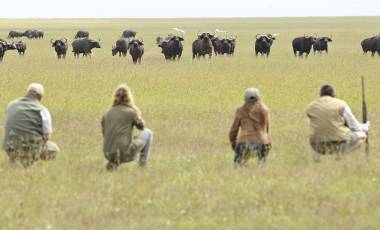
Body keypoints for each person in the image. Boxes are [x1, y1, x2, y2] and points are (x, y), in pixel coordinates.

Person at [2, 83, 60, 168]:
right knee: (54, 149)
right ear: (40, 97)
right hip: (29, 148)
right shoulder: (43, 110)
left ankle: (14, 162)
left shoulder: (11, 104)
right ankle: (30, 163)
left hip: (9, 147)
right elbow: (46, 136)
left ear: (27, 93)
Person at [306, 85, 369, 160]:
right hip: (339, 144)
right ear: (333, 94)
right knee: (363, 135)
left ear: (320, 95)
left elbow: (312, 126)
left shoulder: (311, 106)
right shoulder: (341, 104)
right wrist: (366, 126)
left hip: (317, 147)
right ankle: (341, 156)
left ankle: (317, 160)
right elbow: (354, 126)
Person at [101, 84, 153, 171]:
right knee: (148, 132)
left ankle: (113, 162)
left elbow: (104, 133)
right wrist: (137, 114)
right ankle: (142, 164)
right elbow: (141, 127)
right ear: (129, 97)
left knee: (124, 140)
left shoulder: (106, 113)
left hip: (107, 153)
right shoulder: (131, 112)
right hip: (124, 153)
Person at [229, 87, 271, 166]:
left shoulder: (240, 111)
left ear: (245, 98)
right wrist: (268, 141)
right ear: (259, 98)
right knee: (262, 164)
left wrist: (233, 144)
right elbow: (267, 129)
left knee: (238, 165)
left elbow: (233, 131)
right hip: (262, 143)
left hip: (243, 142)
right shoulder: (265, 110)